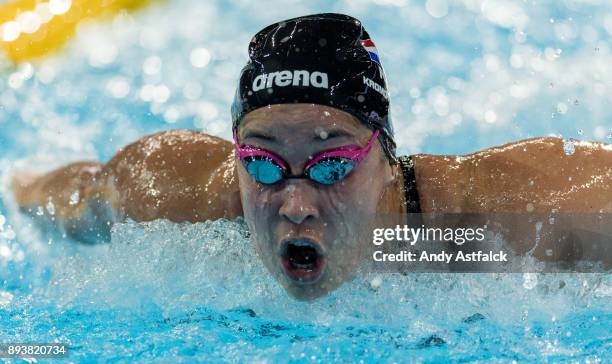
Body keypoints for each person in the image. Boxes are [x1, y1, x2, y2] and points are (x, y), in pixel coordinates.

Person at [11, 13, 612, 300]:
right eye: (264, 164)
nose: (295, 203)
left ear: (386, 158)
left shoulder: (503, 214)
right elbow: (64, 196)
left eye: (332, 166)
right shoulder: (175, 196)